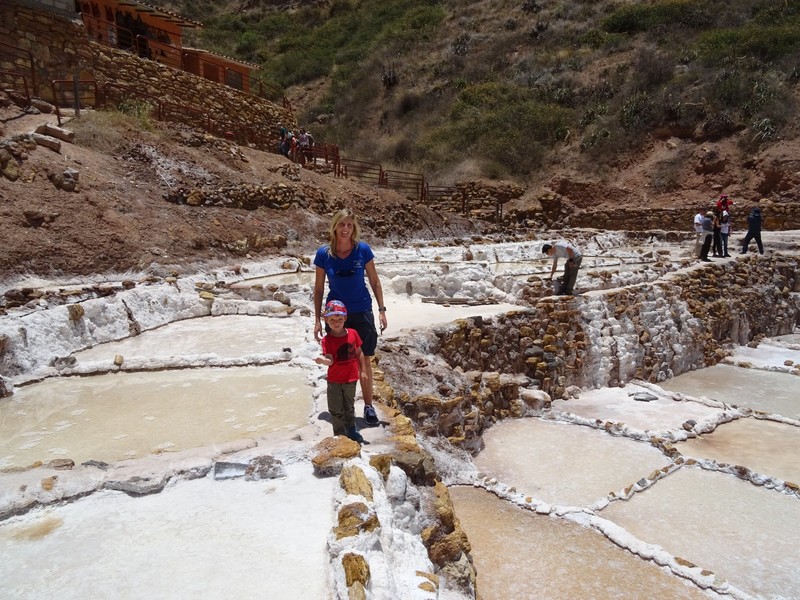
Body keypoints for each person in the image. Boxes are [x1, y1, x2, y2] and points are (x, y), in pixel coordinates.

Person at [314, 208, 386, 425]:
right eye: (342, 224)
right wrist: (317, 319)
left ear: (354, 228)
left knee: (364, 360)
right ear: (334, 226)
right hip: (336, 315)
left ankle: (368, 406)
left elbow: (374, 281)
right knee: (338, 360)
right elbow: (318, 289)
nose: (345, 229)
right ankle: (343, 408)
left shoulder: (363, 250)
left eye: (349, 225)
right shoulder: (323, 254)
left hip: (362, 310)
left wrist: (382, 310)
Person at [315, 300, 365, 444]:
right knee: (336, 409)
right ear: (326, 320)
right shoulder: (327, 340)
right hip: (334, 380)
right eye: (332, 320)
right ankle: (339, 434)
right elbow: (330, 360)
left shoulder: (353, 334)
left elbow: (359, 352)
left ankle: (351, 430)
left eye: (339, 319)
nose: (336, 323)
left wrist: (363, 371)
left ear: (345, 318)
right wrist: (322, 361)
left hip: (351, 378)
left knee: (349, 406)